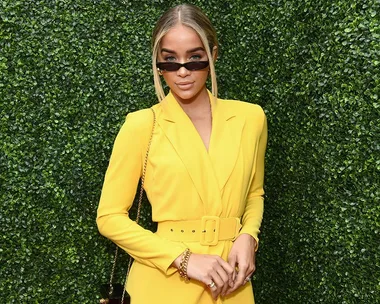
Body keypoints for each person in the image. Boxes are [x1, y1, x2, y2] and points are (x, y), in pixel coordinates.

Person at [97, 3, 267, 304]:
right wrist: (183, 257)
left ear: (213, 55)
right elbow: (109, 217)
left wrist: (248, 235)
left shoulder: (251, 119)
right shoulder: (141, 125)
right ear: (158, 65)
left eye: (195, 58)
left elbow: (254, 192)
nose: (183, 71)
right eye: (170, 61)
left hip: (231, 282)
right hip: (163, 279)